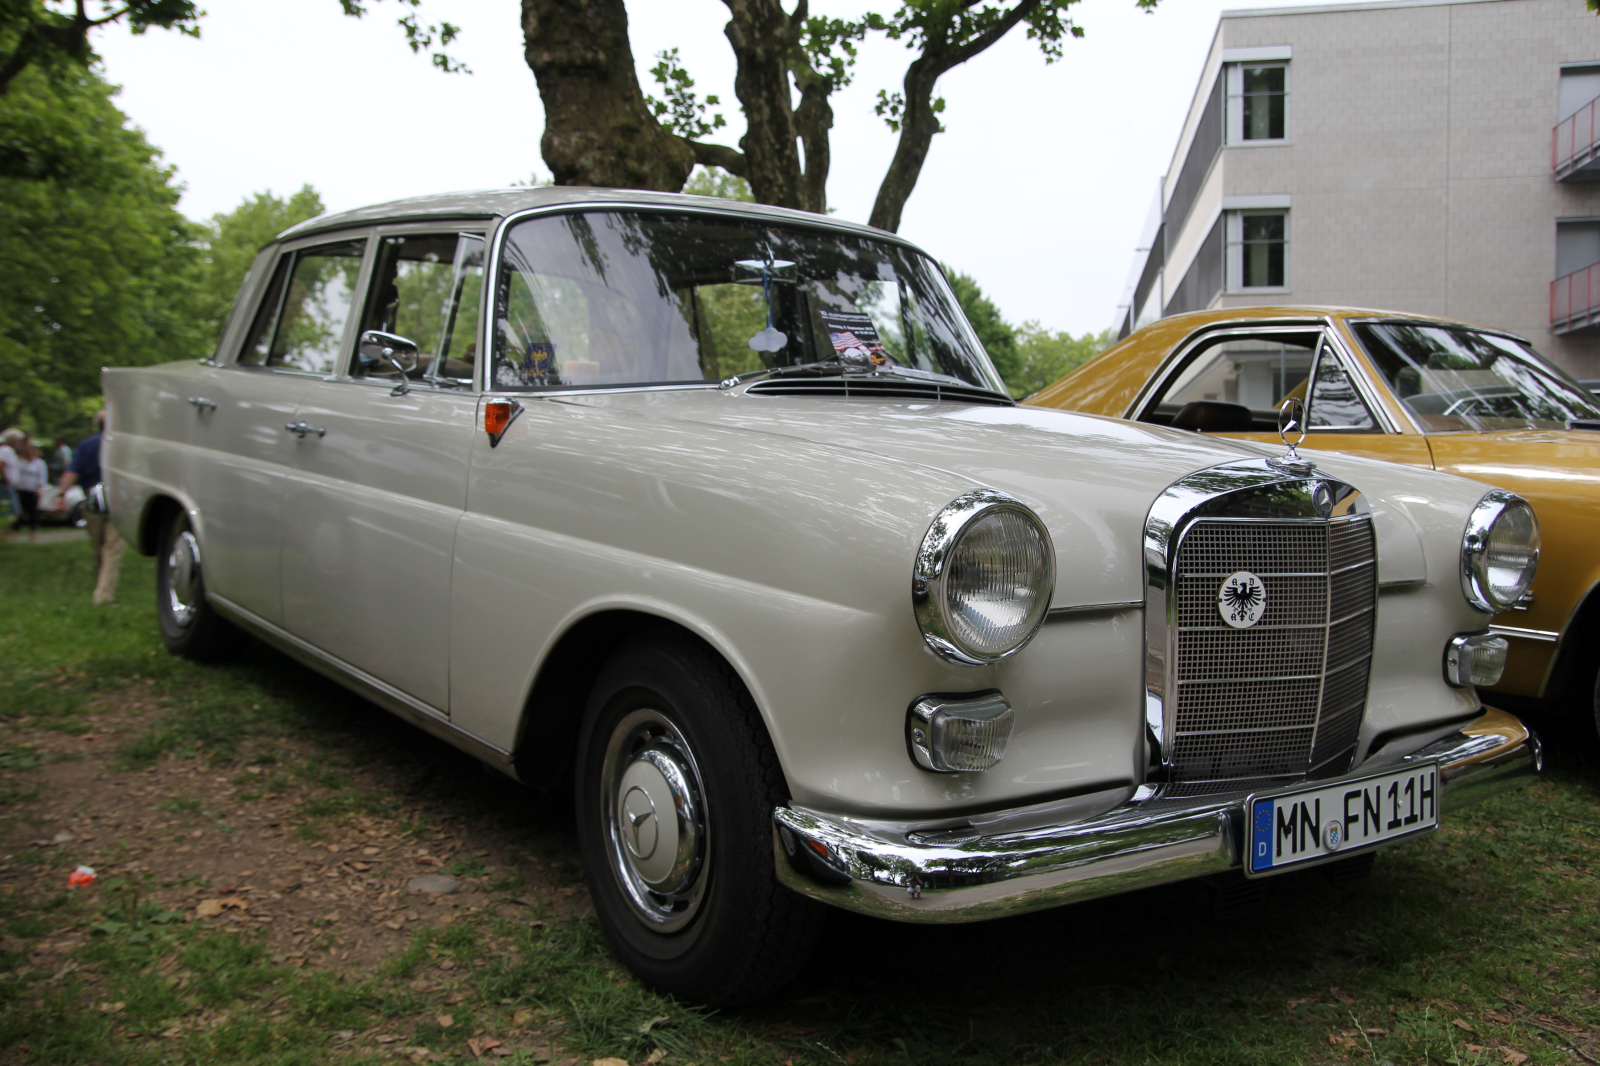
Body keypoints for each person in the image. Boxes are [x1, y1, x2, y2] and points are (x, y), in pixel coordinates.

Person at [56, 411, 122, 605]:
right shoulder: (120, 445)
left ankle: (102, 590)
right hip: (118, 499)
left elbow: (72, 471)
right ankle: (103, 593)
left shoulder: (86, 445)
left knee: (100, 546)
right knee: (112, 548)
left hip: (92, 500)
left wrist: (60, 494)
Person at [11, 442, 46, 542]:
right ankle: (15, 533)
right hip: (21, 490)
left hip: (32, 490)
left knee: (33, 513)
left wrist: (39, 489)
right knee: (20, 512)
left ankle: (33, 535)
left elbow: (42, 478)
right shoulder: (22, 463)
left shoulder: (39, 463)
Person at [0, 427, 22, 533]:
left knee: (11, 510)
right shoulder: (5, 450)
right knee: (10, 510)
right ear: (13, 441)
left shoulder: (11, 452)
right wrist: (7, 479)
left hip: (10, 485)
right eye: (18, 441)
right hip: (4, 485)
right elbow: (1, 465)